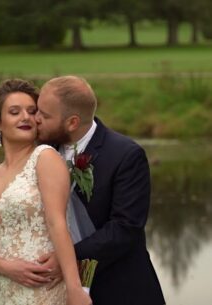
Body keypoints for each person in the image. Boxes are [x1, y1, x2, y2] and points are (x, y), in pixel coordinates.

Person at [33, 75, 166, 304]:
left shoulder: (125, 155)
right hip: (53, 290)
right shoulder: (40, 149)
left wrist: (66, 257)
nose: (35, 119)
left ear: (72, 122)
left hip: (118, 287)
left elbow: (125, 228)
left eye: (44, 115)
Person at [0, 79, 92, 305]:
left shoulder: (45, 158)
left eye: (32, 111)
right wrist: (7, 268)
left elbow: (58, 224)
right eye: (15, 112)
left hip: (45, 288)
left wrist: (75, 289)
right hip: (4, 291)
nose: (26, 117)